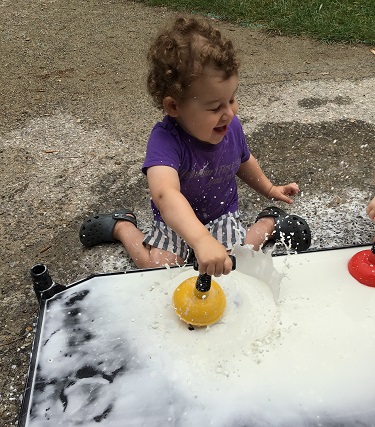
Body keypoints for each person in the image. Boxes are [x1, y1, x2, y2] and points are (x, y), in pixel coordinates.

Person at [79, 15, 310, 277]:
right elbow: (166, 195)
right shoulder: (165, 141)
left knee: (238, 261)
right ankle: (122, 227)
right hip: (175, 221)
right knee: (157, 268)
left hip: (221, 214)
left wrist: (269, 188)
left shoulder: (229, 126)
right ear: (174, 106)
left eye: (232, 99)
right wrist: (200, 240)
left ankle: (270, 221)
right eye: (215, 107)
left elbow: (243, 160)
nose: (229, 113)